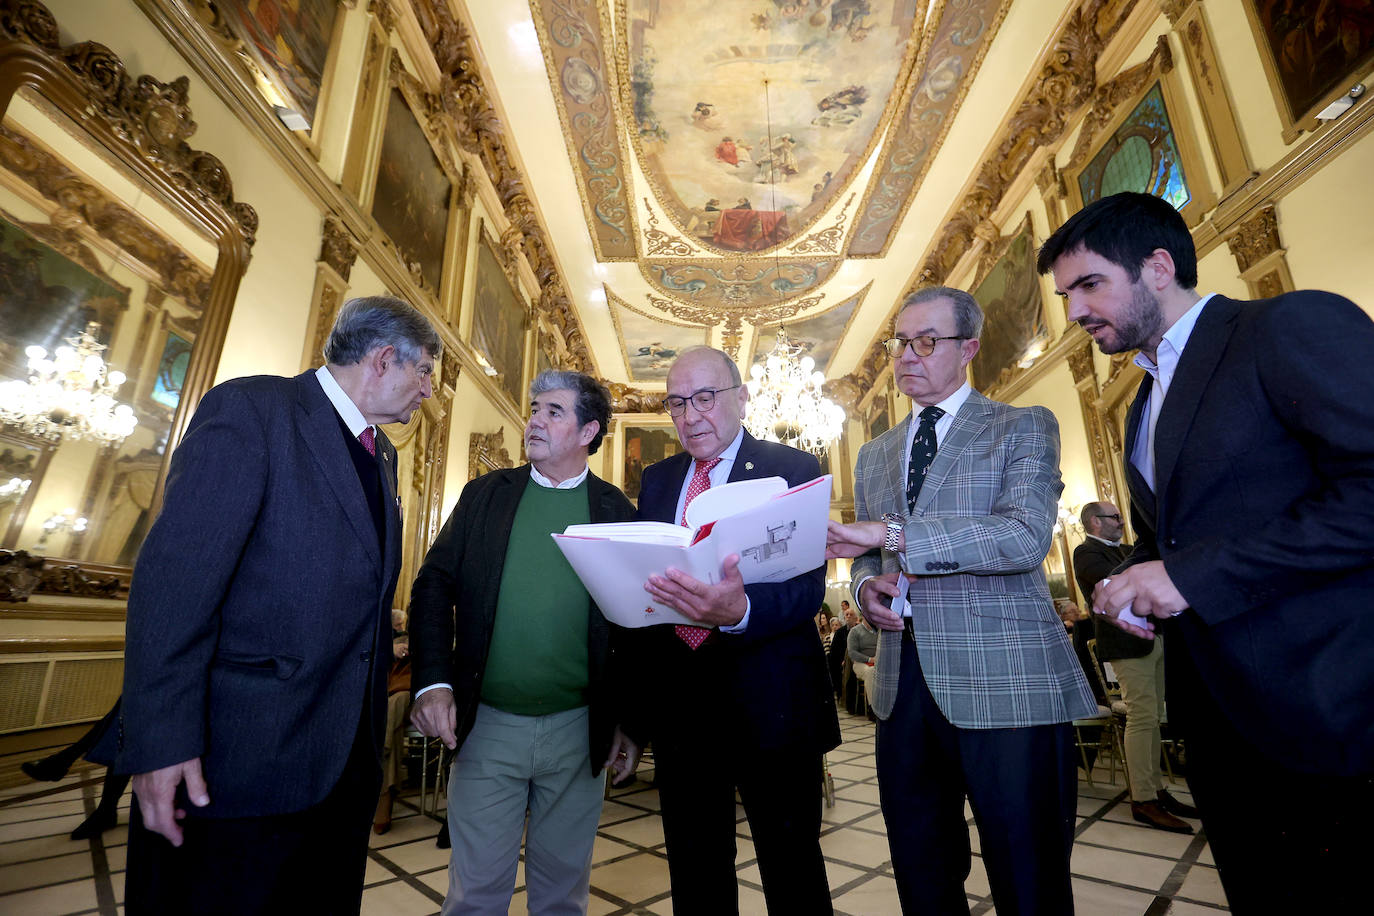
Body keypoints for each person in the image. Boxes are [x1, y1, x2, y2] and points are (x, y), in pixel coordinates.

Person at [1038, 190, 1374, 911]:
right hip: (1223, 724)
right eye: (1066, 293)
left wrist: (1189, 576)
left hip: (1334, 707)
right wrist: (1131, 589)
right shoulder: (1141, 404)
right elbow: (1177, 540)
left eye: (1089, 284)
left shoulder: (1281, 327)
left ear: (1159, 266)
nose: (1073, 311)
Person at [108, 295, 439, 915]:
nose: (427, 390)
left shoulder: (383, 455)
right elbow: (175, 587)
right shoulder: (256, 410)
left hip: (341, 767)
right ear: (385, 358)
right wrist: (161, 742)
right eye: (424, 371)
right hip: (237, 758)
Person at [827, 287, 1096, 914]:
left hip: (1005, 678)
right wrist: (867, 586)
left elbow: (1023, 537)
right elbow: (869, 552)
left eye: (927, 342)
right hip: (902, 679)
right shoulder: (875, 454)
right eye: (900, 343)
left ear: (968, 348)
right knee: (921, 868)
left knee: (1027, 872)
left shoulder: (1023, 426)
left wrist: (892, 535)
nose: (906, 356)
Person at [408, 370, 640, 915]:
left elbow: (635, 628)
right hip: (487, 726)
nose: (534, 420)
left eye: (553, 412)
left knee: (562, 898)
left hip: (578, 734)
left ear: (588, 431)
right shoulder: (485, 496)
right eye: (535, 408)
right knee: (475, 896)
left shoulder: (615, 512)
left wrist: (629, 719)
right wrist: (433, 682)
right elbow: (434, 585)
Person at [621, 346, 839, 914]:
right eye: (676, 403)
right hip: (683, 711)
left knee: (790, 867)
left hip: (773, 705)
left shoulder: (791, 469)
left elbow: (807, 587)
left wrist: (738, 611)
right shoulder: (658, 479)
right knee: (695, 872)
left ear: (742, 398)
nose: (690, 415)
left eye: (704, 398)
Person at [1073, 501, 1196, 833]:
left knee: (1154, 715)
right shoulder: (1086, 553)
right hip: (1125, 643)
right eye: (1114, 517)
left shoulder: (1128, 549)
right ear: (1094, 523)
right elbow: (1112, 587)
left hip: (1154, 636)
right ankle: (1143, 799)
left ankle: (1157, 788)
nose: (1121, 522)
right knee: (1141, 715)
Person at [846, 611, 878, 692]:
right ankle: (873, 704)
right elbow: (852, 653)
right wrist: (870, 659)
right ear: (863, 617)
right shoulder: (854, 631)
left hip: (879, 662)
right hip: (860, 663)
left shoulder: (879, 630)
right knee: (871, 672)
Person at [828, 603, 855, 697]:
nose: (848, 617)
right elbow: (835, 650)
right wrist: (842, 660)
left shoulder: (859, 630)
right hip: (842, 660)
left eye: (851, 615)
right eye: (846, 615)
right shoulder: (839, 632)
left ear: (855, 618)